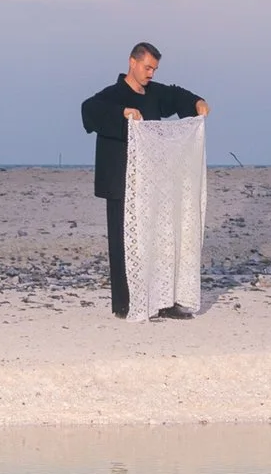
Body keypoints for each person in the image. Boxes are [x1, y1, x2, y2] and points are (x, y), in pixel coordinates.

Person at [80, 43, 208, 318]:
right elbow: (88, 110)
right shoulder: (112, 95)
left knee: (159, 241)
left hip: (152, 182)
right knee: (124, 244)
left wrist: (197, 102)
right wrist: (122, 113)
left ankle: (162, 302)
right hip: (119, 182)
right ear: (132, 62)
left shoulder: (154, 94)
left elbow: (177, 95)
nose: (151, 73)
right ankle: (125, 305)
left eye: (154, 69)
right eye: (147, 67)